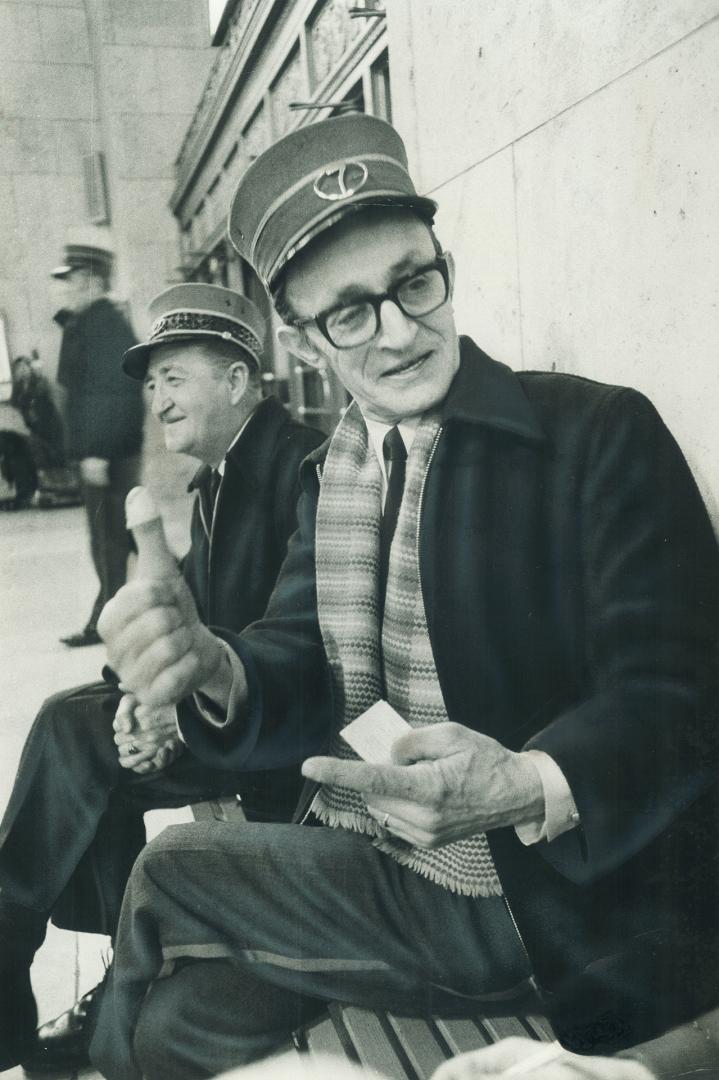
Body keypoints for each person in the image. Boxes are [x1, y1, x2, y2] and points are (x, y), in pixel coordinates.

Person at [92, 115, 719, 1080]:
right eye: (348, 313)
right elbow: (298, 660)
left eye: (413, 283)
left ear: (444, 266)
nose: (396, 332)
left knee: (173, 867)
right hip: (372, 853)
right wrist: (213, 665)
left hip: (537, 901)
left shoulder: (594, 432)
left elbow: (686, 692)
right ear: (303, 342)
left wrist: (525, 779)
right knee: (173, 1026)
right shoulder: (329, 469)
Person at [0, 283, 324, 1072]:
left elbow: (302, 649)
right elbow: (174, 613)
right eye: (151, 384)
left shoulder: (299, 469)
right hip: (226, 723)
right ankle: (112, 975)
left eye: (174, 377)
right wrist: (137, 700)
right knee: (85, 720)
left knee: (73, 736)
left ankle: (48, 971)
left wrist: (168, 716)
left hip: (283, 744)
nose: (157, 399)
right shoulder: (216, 479)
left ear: (240, 379)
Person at [52, 240, 144, 646]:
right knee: (119, 536)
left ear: (91, 281)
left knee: (109, 538)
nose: (64, 288)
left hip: (107, 453)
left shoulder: (104, 324)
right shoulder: (89, 322)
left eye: (69, 280)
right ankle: (186, 586)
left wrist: (98, 451)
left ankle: (107, 622)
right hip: (102, 450)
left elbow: (115, 394)